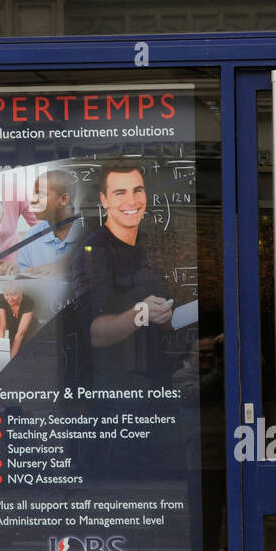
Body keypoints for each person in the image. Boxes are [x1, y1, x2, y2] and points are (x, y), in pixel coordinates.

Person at [71, 159, 174, 388]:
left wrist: (166, 318)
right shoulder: (94, 251)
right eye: (120, 193)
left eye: (137, 190)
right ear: (104, 200)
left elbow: (164, 319)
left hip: (158, 384)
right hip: (116, 394)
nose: (132, 201)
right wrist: (142, 312)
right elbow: (96, 334)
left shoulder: (149, 244)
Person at [17, 169, 84, 273]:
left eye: (41, 194)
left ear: (63, 199)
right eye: (34, 194)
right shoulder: (30, 237)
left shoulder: (89, 233)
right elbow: (21, 279)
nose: (33, 200)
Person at [0, 284, 35, 358]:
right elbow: (2, 329)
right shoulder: (1, 299)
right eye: (7, 294)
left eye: (14, 294)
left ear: (20, 292)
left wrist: (11, 359)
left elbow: (20, 334)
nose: (10, 299)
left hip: (29, 333)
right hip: (13, 331)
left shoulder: (28, 301)